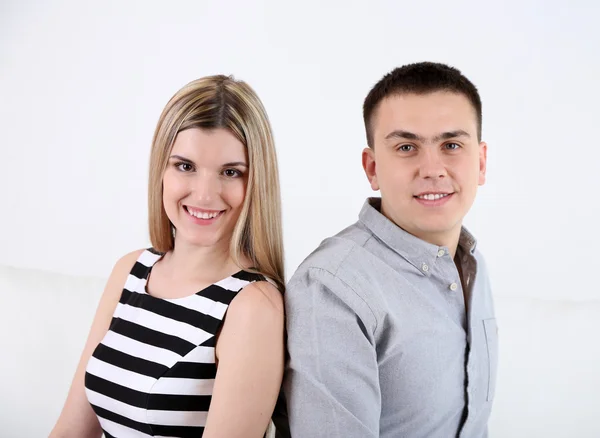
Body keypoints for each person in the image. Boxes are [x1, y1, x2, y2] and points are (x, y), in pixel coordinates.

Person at [50, 75, 287, 438]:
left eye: (230, 172)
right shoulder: (131, 269)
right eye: (185, 166)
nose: (205, 195)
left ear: (255, 183)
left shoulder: (252, 306)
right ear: (161, 168)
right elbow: (71, 430)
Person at [282, 62, 498, 437]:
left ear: (479, 162)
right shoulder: (331, 289)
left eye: (451, 145)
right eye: (406, 147)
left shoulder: (471, 262)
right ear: (372, 168)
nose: (432, 169)